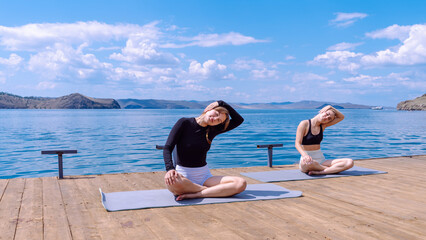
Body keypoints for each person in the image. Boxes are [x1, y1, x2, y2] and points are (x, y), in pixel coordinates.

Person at [163, 100, 246, 200]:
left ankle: (198, 193)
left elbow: (239, 120)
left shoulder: (212, 130)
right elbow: (168, 147)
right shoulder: (184, 122)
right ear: (209, 109)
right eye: (216, 114)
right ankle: (210, 190)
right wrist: (170, 169)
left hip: (204, 176)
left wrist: (222, 103)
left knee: (241, 183)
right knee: (173, 182)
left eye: (218, 120)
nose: (214, 119)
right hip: (183, 175)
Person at [295, 105, 354, 175]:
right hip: (308, 160)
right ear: (322, 111)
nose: (326, 118)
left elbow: (341, 117)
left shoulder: (323, 126)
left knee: (349, 162)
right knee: (310, 163)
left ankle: (321, 171)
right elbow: (297, 143)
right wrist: (305, 156)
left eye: (329, 119)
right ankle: (331, 169)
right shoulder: (304, 124)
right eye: (327, 114)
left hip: (321, 160)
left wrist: (331, 107)